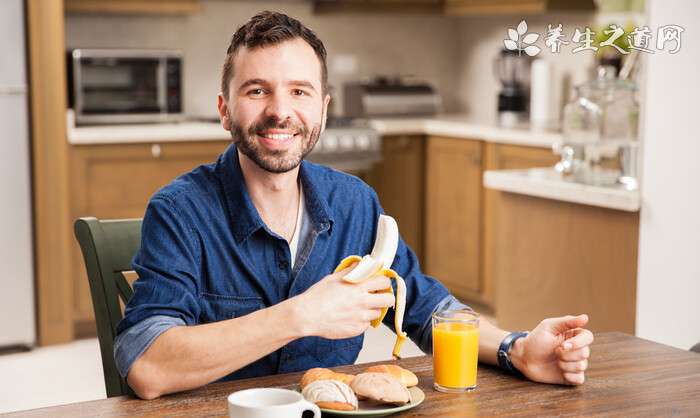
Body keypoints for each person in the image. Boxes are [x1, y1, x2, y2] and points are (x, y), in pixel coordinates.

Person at [114, 11, 593, 400]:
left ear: (323, 108)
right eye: (257, 90)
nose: (280, 110)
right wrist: (301, 315)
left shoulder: (355, 202)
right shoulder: (179, 212)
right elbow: (148, 365)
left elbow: (427, 309)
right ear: (224, 110)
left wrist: (518, 348)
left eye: (299, 91)